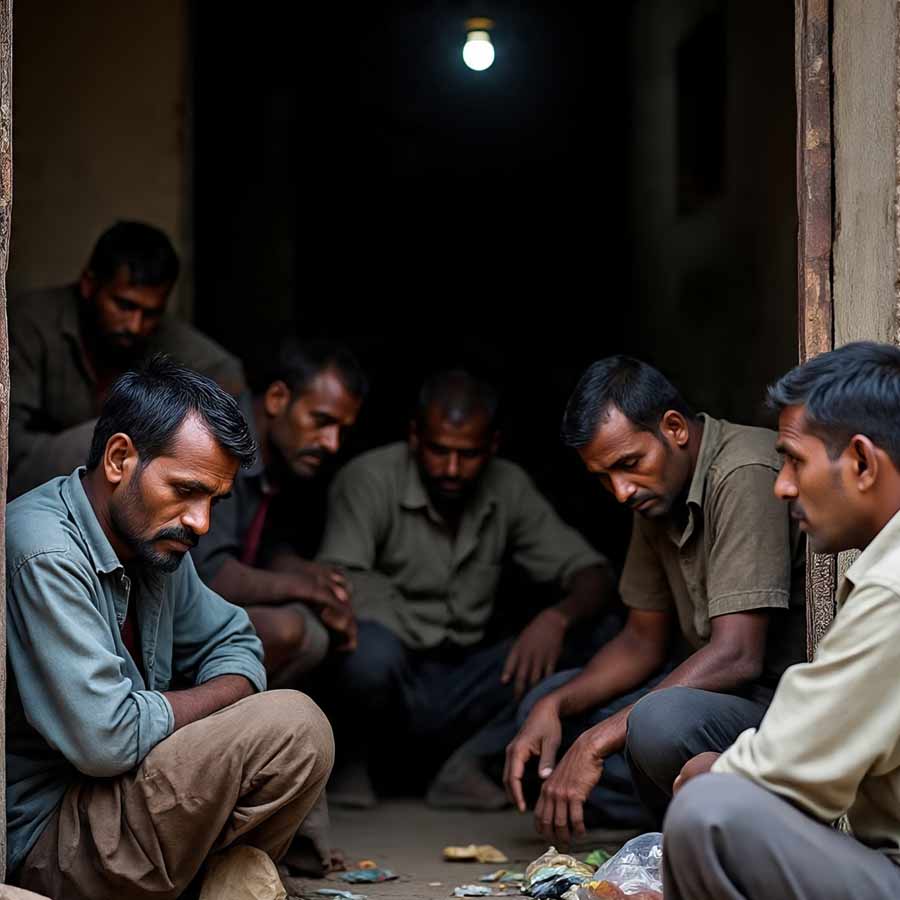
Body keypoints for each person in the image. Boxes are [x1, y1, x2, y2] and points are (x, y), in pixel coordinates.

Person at [6, 356, 332, 900]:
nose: (201, 522)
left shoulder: (154, 543)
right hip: (52, 841)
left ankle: (214, 878)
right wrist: (221, 700)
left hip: (119, 801)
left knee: (297, 734)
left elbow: (237, 640)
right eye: (186, 490)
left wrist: (200, 700)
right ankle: (213, 880)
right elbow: (106, 739)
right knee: (291, 722)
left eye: (214, 500)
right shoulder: (46, 552)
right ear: (118, 459)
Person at [504, 355, 807, 840]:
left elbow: (737, 656)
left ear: (674, 428)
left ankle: (687, 822)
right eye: (603, 477)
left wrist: (598, 741)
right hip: (713, 699)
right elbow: (640, 641)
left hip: (773, 702)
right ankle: (642, 799)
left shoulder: (742, 471)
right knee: (541, 713)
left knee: (656, 722)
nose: (620, 491)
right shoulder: (652, 495)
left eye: (628, 465)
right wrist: (557, 708)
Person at [665, 341, 900, 900]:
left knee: (709, 812)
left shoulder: (892, 589)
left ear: (863, 462)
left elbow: (784, 771)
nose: (782, 485)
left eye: (795, 459)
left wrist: (711, 771)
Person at [319, 369, 615, 810]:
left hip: (469, 679)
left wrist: (557, 618)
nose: (452, 469)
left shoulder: (508, 486)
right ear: (415, 436)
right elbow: (337, 583)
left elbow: (593, 572)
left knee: (596, 633)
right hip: (395, 674)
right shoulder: (369, 478)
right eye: (439, 451)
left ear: (492, 445)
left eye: (469, 455)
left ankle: (470, 764)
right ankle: (352, 762)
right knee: (365, 652)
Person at [9, 220, 245, 498]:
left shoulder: (184, 348)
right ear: (88, 284)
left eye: (151, 313)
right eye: (124, 305)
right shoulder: (28, 324)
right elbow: (10, 448)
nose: (135, 325)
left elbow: (226, 376)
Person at [191, 337, 367, 685]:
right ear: (276, 399)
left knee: (314, 636)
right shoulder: (219, 441)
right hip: (157, 613)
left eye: (342, 430)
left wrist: (306, 573)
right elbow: (212, 574)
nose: (331, 443)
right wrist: (305, 590)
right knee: (289, 629)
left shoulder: (288, 458)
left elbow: (266, 544)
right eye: (321, 420)